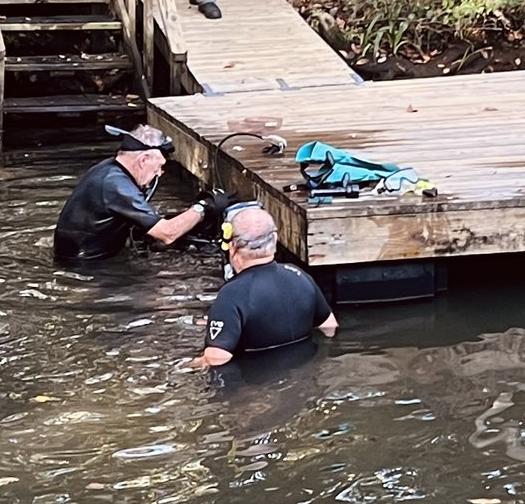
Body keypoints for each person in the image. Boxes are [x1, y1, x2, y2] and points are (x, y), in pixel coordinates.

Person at [53, 124, 232, 261]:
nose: (159, 173)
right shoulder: (117, 186)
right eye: (159, 166)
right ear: (144, 159)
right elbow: (167, 234)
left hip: (84, 256)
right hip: (89, 265)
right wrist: (203, 207)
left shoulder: (107, 170)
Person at [195, 206, 338, 369]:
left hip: (254, 376)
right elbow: (329, 326)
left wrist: (191, 365)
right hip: (305, 367)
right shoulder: (299, 275)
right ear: (274, 240)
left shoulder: (231, 294)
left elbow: (216, 358)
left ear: (233, 247)